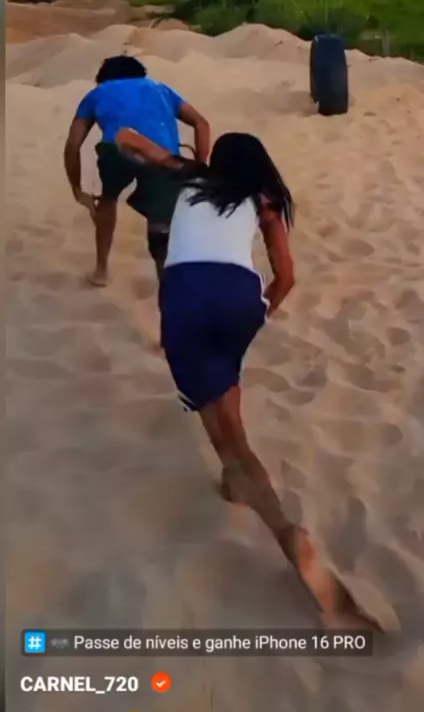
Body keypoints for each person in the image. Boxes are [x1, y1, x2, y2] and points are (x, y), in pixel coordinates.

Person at [117, 129, 381, 630]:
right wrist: (257, 315)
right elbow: (286, 277)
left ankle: (285, 531)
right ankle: (233, 480)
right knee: (225, 380)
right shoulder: (264, 201)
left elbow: (133, 141)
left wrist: (137, 144)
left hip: (185, 294)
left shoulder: (191, 177)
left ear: (217, 161)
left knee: (227, 432)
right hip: (239, 297)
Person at [63, 55, 210, 286]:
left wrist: (76, 189)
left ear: (104, 78)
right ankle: (167, 288)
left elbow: (73, 145)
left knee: (108, 199)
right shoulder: (161, 89)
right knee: (160, 226)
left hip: (116, 150)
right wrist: (200, 165)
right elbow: (201, 123)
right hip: (163, 157)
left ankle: (101, 270)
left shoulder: (97, 93)